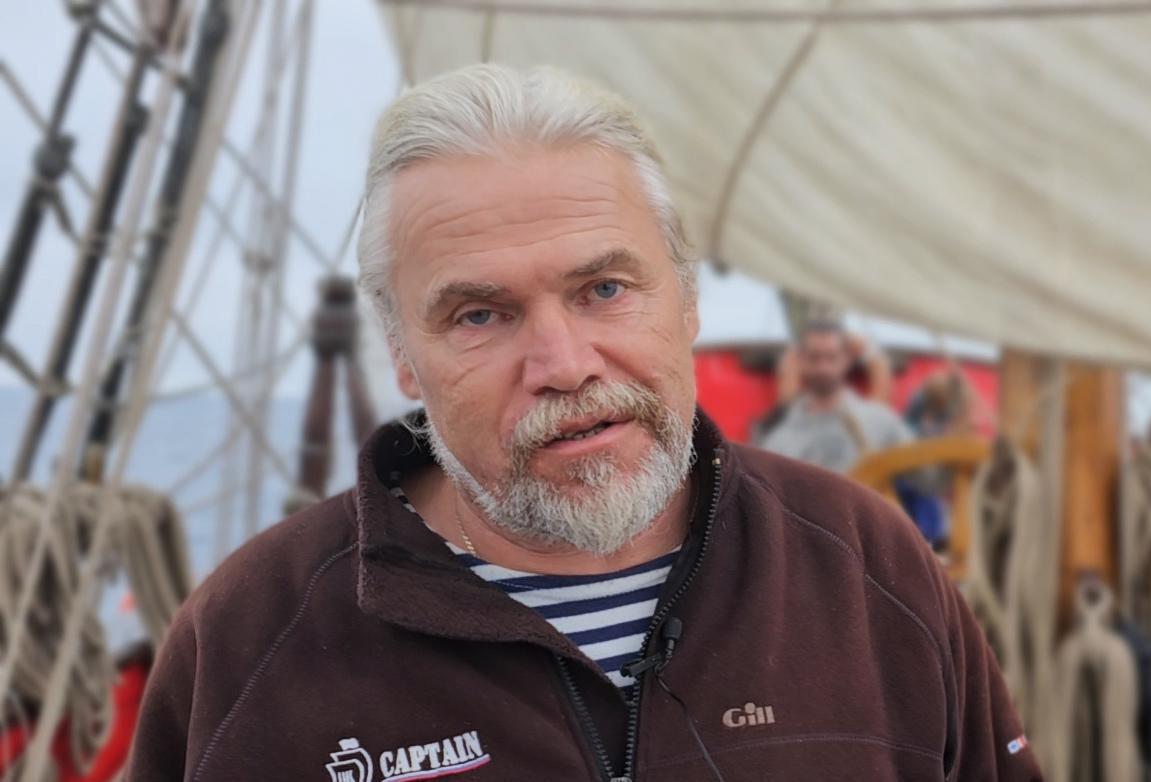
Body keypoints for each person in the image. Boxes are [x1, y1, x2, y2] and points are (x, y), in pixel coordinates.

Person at [126, 65, 1040, 781]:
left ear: (686, 300)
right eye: (479, 315)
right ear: (402, 354)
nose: (564, 364)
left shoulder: (866, 568)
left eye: (604, 289)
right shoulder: (250, 641)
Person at [758, 321, 914, 474]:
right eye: (814, 357)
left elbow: (922, 472)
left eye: (831, 357)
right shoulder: (779, 433)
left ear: (846, 359)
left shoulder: (879, 420)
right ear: (801, 360)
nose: (823, 368)